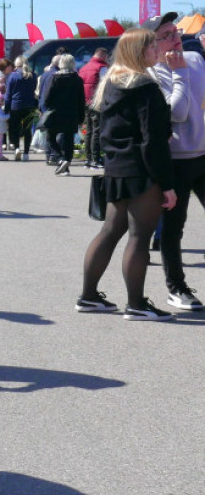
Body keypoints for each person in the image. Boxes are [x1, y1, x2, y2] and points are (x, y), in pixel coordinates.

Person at [77, 28, 177, 321]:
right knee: (139, 237)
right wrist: (167, 184)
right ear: (138, 51)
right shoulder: (145, 87)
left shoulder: (111, 83)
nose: (157, 50)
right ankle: (136, 304)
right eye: (152, 46)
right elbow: (153, 141)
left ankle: (88, 296)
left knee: (110, 232)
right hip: (142, 170)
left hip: (116, 168)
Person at [145, 13, 205, 311]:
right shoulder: (152, 74)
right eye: (166, 35)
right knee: (173, 227)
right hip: (175, 160)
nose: (175, 38)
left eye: (176, 31)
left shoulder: (195, 59)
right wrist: (178, 73)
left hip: (203, 152)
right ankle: (177, 288)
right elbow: (177, 113)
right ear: (153, 44)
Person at [44, 55, 87, 176]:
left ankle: (60, 158)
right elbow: (81, 100)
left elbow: (47, 97)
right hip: (72, 113)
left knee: (50, 137)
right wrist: (81, 116)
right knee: (68, 139)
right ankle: (66, 161)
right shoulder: (77, 79)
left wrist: (47, 107)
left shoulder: (54, 78)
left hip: (56, 113)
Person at [79, 48, 110, 169]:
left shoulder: (84, 68)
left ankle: (88, 159)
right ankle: (96, 159)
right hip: (97, 101)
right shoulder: (102, 68)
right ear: (103, 55)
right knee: (97, 130)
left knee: (89, 130)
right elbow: (106, 84)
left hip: (86, 101)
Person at [4, 57, 39, 161]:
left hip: (16, 105)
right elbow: (35, 90)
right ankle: (26, 153)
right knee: (27, 129)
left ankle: (17, 148)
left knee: (14, 128)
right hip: (30, 105)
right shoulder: (33, 76)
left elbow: (8, 94)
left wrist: (6, 108)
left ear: (16, 65)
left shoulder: (12, 76)